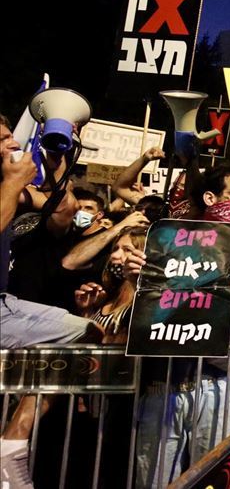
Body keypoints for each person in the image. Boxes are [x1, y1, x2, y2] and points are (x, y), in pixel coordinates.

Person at [131, 163, 230, 488]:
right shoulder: (168, 240)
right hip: (164, 384)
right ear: (210, 198)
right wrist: (133, 279)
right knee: (156, 481)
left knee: (216, 479)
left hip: (220, 384)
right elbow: (147, 306)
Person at [0, 114, 103, 489]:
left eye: (11, 136)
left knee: (86, 333)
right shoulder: (10, 186)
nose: (14, 143)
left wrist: (56, 161)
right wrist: (13, 182)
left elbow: (62, 214)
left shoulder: (16, 189)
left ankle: (12, 441)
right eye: (3, 139)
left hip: (5, 305)